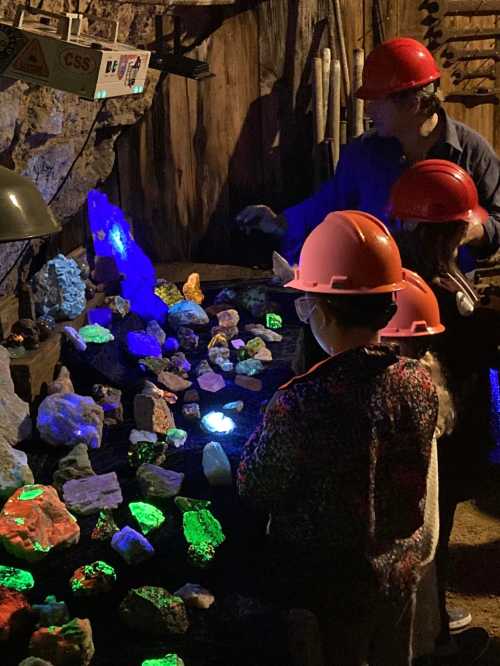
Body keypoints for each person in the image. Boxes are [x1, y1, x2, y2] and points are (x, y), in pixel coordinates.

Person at [237, 210, 438, 666]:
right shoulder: (420, 382)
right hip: (398, 569)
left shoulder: (302, 400)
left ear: (322, 308)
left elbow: (257, 485)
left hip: (326, 585)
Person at [236, 37, 500, 268]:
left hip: (449, 296)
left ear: (413, 103)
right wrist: (279, 221)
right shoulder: (363, 152)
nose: (368, 110)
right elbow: (328, 205)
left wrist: (469, 231)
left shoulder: (471, 152)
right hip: (376, 295)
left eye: (377, 101)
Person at [388, 159, 499, 659]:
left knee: (422, 532)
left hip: (422, 428)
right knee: (435, 532)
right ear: (454, 229)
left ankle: (430, 627)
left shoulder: (402, 276)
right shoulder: (446, 291)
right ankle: (432, 640)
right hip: (449, 431)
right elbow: (471, 350)